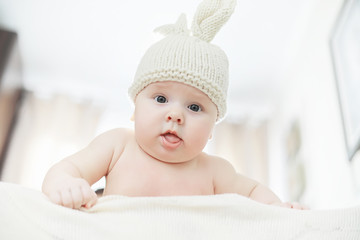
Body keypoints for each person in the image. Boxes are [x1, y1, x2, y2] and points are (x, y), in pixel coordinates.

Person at [42, 0, 308, 210]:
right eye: (160, 99)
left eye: (194, 108)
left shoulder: (214, 170)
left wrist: (278, 208)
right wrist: (66, 184)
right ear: (135, 108)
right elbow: (67, 169)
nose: (176, 115)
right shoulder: (118, 146)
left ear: (213, 127)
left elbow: (253, 192)